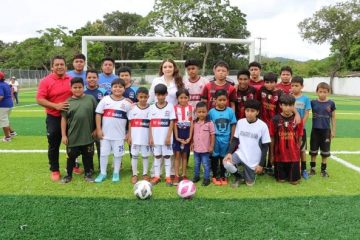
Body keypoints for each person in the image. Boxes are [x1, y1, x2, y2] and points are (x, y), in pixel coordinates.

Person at [36, 55, 72, 181]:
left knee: (72, 143)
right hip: (54, 117)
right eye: (56, 64)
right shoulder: (46, 81)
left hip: (70, 117)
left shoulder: (71, 79)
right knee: (53, 144)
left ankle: (73, 166)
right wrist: (56, 106)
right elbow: (39, 99)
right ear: (52, 67)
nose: (59, 67)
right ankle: (55, 169)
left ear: (66, 66)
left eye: (62, 64)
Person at [223, 99, 270, 187]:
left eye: (252, 111)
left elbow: (265, 146)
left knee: (249, 184)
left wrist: (260, 165)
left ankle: (247, 172)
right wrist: (229, 153)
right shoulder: (240, 122)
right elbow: (235, 139)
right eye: (247, 110)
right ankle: (239, 176)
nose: (249, 113)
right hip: (241, 153)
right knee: (226, 162)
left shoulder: (263, 126)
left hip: (253, 158)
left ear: (257, 112)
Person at [94, 78, 132, 183]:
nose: (117, 89)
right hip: (105, 135)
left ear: (124, 89)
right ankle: (103, 173)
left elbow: (131, 120)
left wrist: (128, 133)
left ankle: (116, 173)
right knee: (103, 154)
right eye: (115, 86)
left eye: (120, 87)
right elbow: (98, 114)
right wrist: (98, 129)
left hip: (119, 136)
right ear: (111, 88)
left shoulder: (126, 103)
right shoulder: (105, 99)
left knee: (118, 154)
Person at [60, 77, 97, 183]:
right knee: (71, 157)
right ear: (71, 88)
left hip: (87, 135)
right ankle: (68, 175)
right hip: (73, 136)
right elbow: (63, 119)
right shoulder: (67, 102)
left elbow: (96, 115)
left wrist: (96, 129)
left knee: (88, 156)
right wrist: (64, 135)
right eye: (75, 87)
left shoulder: (90, 99)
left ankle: (88, 174)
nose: (77, 89)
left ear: (83, 87)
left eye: (80, 87)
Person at [269, 94, 303, 185]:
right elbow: (272, 137)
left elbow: (300, 136)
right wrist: (272, 155)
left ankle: (294, 171)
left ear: (294, 106)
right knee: (281, 180)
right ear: (280, 105)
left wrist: (297, 150)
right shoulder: (275, 119)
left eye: (290, 105)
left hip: (293, 155)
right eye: (285, 105)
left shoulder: (298, 120)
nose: (288, 108)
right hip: (280, 155)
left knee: (294, 182)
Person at [149, 84, 176, 186]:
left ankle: (168, 177)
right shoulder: (152, 107)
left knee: (167, 156)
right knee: (157, 156)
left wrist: (169, 136)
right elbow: (150, 123)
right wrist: (151, 137)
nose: (160, 97)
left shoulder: (170, 106)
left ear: (166, 94)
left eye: (162, 95)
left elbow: (172, 122)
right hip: (156, 138)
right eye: (158, 95)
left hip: (166, 138)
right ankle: (157, 176)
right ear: (155, 95)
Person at [208, 89, 237, 186]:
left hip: (226, 138)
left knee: (223, 157)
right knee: (215, 157)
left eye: (224, 100)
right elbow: (209, 126)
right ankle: (215, 175)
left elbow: (233, 125)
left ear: (227, 100)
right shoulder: (211, 112)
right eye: (220, 100)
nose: (222, 102)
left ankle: (223, 175)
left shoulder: (230, 111)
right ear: (215, 100)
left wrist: (232, 138)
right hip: (215, 138)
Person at [258, 72, 283, 174]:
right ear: (264, 82)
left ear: (276, 83)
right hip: (262, 122)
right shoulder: (261, 90)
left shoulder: (280, 93)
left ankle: (270, 165)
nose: (269, 84)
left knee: (272, 145)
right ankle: (261, 165)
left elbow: (283, 106)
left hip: (274, 123)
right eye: (267, 82)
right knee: (262, 144)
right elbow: (258, 103)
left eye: (271, 82)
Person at [309, 82, 336, 177]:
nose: (322, 94)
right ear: (317, 92)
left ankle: (323, 170)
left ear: (328, 92)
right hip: (315, 130)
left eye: (325, 92)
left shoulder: (331, 103)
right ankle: (312, 169)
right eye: (320, 91)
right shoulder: (313, 102)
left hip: (326, 131)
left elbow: (333, 117)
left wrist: (333, 130)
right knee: (313, 151)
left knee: (325, 151)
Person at [127, 87, 151, 184]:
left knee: (145, 156)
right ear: (137, 97)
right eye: (141, 97)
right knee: (135, 155)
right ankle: (134, 174)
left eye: (145, 97)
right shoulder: (132, 108)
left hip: (145, 137)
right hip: (135, 137)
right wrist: (129, 135)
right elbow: (130, 123)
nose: (143, 99)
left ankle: (145, 174)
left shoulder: (151, 108)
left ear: (148, 97)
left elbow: (151, 125)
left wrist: (150, 137)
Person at [84, 69, 107, 169]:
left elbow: (106, 109)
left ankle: (102, 167)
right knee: (88, 148)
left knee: (101, 147)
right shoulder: (83, 91)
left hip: (100, 125)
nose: (92, 79)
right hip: (87, 125)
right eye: (89, 77)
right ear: (86, 79)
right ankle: (90, 167)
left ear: (98, 78)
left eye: (94, 77)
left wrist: (99, 128)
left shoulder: (103, 92)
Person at [291, 76, 311, 179]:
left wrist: (301, 125)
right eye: (292, 85)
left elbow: (307, 113)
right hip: (289, 129)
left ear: (301, 86)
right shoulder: (288, 97)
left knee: (302, 150)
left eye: (296, 85)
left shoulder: (306, 98)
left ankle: (303, 169)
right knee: (291, 148)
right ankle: (292, 167)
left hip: (301, 129)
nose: (294, 87)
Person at [172, 88, 194, 185]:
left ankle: (184, 174)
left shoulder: (191, 108)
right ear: (177, 98)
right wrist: (176, 137)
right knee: (177, 156)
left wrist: (190, 137)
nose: (183, 100)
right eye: (181, 98)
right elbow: (174, 123)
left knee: (185, 156)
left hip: (187, 134)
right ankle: (176, 175)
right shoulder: (174, 108)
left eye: (185, 97)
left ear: (188, 98)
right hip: (178, 133)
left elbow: (192, 123)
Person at [191, 101, 215, 186]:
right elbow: (193, 134)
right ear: (196, 112)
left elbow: (212, 135)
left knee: (206, 164)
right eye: (199, 112)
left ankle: (206, 178)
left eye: (203, 112)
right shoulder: (194, 123)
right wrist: (192, 143)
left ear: (207, 112)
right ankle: (196, 176)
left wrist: (211, 146)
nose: (201, 114)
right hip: (196, 149)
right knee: (196, 163)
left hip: (205, 149)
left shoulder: (210, 123)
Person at [0, 71, 16, 142]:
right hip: (9, 104)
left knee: (3, 121)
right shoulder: (5, 84)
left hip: (3, 106)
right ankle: (12, 132)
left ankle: (7, 137)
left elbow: (1, 96)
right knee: (5, 120)